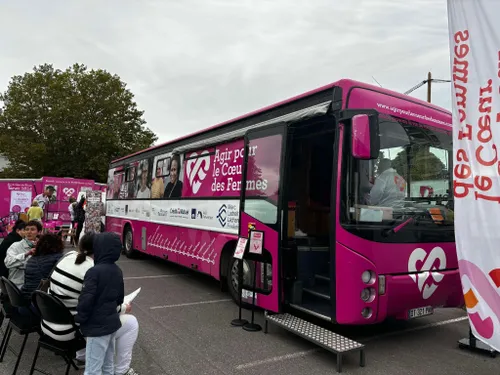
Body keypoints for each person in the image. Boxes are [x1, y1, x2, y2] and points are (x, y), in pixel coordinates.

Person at [46, 233, 139, 373]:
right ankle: (122, 370)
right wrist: (124, 307)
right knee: (131, 323)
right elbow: (99, 305)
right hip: (73, 330)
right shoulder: (93, 270)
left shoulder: (68, 256)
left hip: (48, 322)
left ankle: (82, 356)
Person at [75, 233, 127, 375]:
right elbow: (120, 298)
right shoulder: (117, 270)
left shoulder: (93, 272)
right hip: (112, 323)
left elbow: (86, 299)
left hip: (96, 326)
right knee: (108, 364)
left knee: (93, 368)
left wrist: (80, 318)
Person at [4, 220, 42, 289]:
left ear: (39, 232)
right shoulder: (15, 246)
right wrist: (26, 254)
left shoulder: (43, 246)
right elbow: (8, 263)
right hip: (18, 283)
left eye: (32, 229)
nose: (29, 232)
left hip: (36, 283)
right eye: (26, 229)